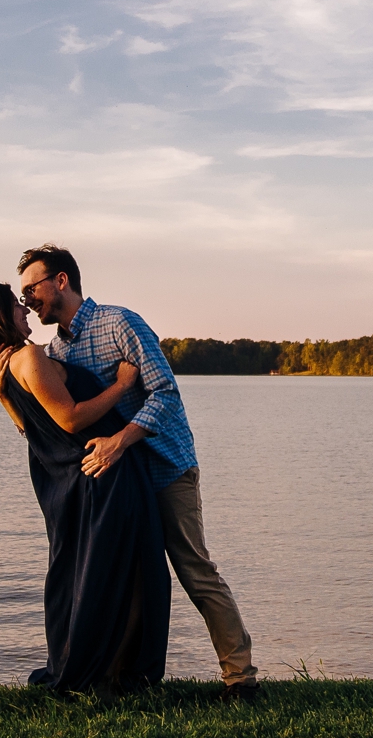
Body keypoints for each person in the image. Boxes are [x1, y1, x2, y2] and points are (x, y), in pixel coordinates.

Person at [15, 244, 260, 697]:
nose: (29, 299)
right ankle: (121, 677)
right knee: (128, 581)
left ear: (62, 280)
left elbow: (165, 392)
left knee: (194, 568)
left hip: (164, 467)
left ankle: (241, 679)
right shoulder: (52, 351)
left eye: (33, 288)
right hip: (117, 487)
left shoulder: (120, 322)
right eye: (23, 293)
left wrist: (118, 442)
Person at [0, 281, 169, 695]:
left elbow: (31, 427)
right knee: (124, 573)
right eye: (15, 304)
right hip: (99, 474)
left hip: (69, 479)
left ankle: (101, 667)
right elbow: (70, 419)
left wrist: (3, 398)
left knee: (87, 572)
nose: (24, 309)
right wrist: (123, 384)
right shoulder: (29, 356)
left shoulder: (5, 369)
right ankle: (111, 673)